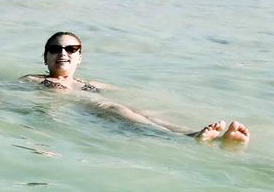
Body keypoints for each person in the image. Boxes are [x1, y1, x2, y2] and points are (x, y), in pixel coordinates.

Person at [21, 32, 249, 145]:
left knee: (145, 113)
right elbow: (5, 93)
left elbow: (132, 94)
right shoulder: (35, 80)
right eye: (55, 49)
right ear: (45, 57)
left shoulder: (91, 84)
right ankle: (190, 137)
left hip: (104, 106)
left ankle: (195, 134)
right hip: (86, 110)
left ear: (79, 57)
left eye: (71, 49)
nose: (63, 53)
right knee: (114, 108)